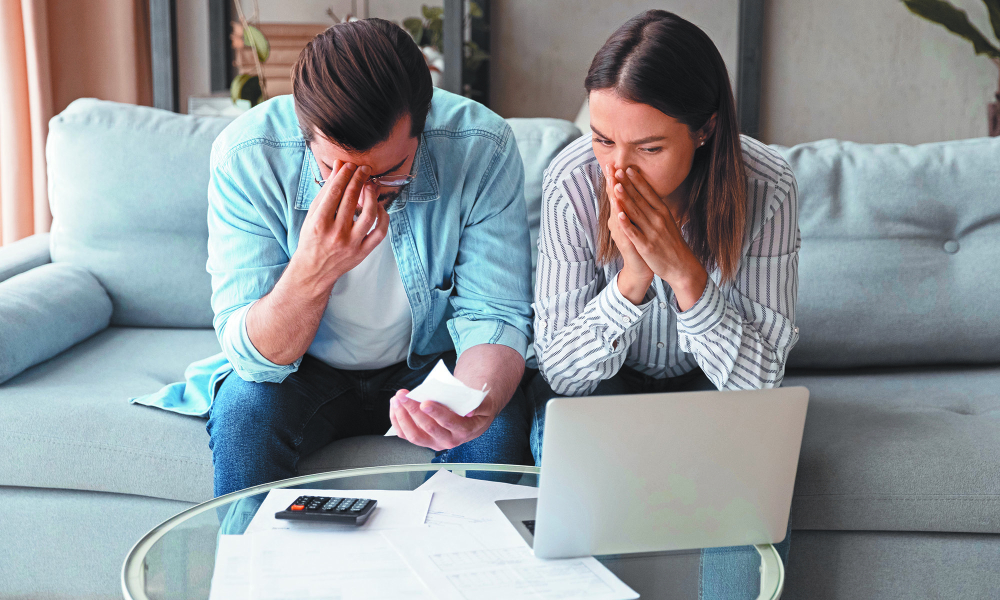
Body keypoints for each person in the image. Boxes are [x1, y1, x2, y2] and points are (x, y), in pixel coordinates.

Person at [137, 18, 536, 497]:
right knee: (246, 416)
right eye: (336, 171)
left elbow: (494, 314)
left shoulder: (481, 148)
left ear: (423, 129)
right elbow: (255, 359)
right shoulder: (248, 156)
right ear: (306, 137)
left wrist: (474, 403)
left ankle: (469, 570)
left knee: (497, 426)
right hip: (305, 371)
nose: (365, 194)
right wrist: (312, 269)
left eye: (390, 173)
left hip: (431, 365)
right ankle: (254, 571)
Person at [526, 10, 800, 600]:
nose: (617, 171)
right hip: (604, 386)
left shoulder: (767, 186)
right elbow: (562, 374)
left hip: (714, 386)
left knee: (748, 488)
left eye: (648, 146)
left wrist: (686, 277)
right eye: (603, 139)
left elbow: (759, 383)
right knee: (580, 478)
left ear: (703, 130)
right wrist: (632, 280)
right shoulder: (573, 181)